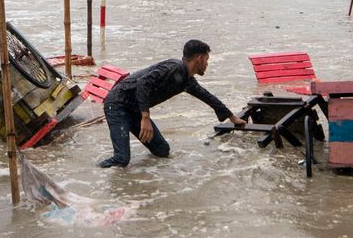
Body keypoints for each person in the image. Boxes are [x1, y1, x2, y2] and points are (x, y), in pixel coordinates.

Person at [98, 39, 245, 168]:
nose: (207, 64)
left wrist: (232, 118)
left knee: (162, 151)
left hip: (135, 109)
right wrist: (145, 117)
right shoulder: (173, 67)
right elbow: (143, 83)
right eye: (207, 60)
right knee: (121, 159)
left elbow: (208, 97)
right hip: (117, 104)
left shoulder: (187, 81)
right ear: (199, 59)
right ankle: (95, 172)